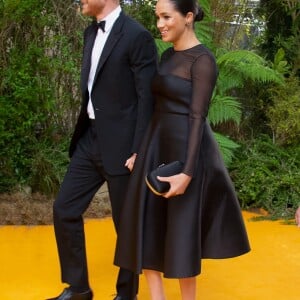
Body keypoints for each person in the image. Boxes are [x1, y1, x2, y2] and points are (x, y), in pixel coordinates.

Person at [114, 0, 251, 299]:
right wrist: (140, 151)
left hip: (187, 151)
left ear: (188, 17)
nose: (160, 24)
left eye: (166, 17)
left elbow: (197, 118)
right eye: (157, 17)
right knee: (146, 222)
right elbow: (156, 106)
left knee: (181, 231)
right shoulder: (166, 57)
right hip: (155, 144)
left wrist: (187, 173)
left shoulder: (202, 61)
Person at [47, 0, 158, 299]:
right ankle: (79, 288)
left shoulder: (137, 36)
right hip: (89, 139)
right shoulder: (89, 33)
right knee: (64, 209)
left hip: (124, 147)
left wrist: (139, 149)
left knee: (126, 225)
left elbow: (148, 98)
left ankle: (126, 294)